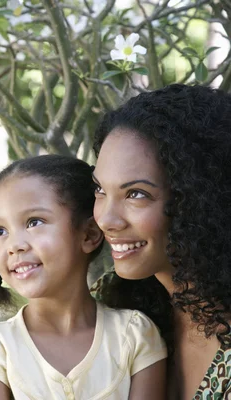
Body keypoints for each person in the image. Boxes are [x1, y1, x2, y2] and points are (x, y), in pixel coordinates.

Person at [0, 155, 167, 400]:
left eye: (34, 222)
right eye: (0, 231)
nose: (13, 245)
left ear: (89, 234)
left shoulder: (135, 335)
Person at [92, 84, 231, 399]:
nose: (106, 219)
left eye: (136, 194)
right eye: (100, 190)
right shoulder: (108, 303)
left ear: (197, 200)